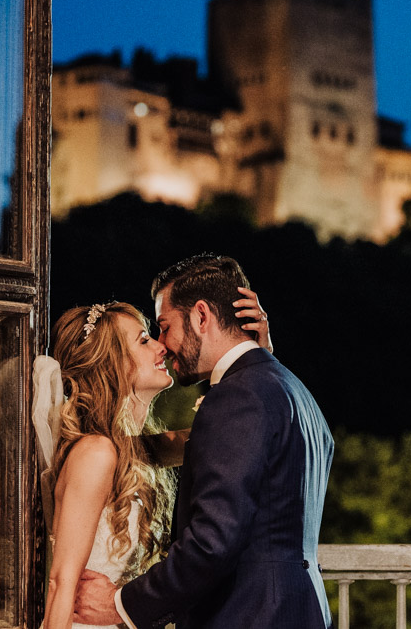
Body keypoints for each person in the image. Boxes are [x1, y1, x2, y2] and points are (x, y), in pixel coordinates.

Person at [74, 253, 334, 629]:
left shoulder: (238, 397)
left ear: (200, 316)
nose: (162, 344)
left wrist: (122, 605)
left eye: (164, 326)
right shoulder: (294, 391)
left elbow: (212, 543)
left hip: (248, 616)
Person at [35, 289, 272, 629]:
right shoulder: (96, 452)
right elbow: (61, 583)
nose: (162, 346)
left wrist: (256, 356)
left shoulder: (134, 449)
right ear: (113, 362)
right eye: (144, 340)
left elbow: (226, 437)